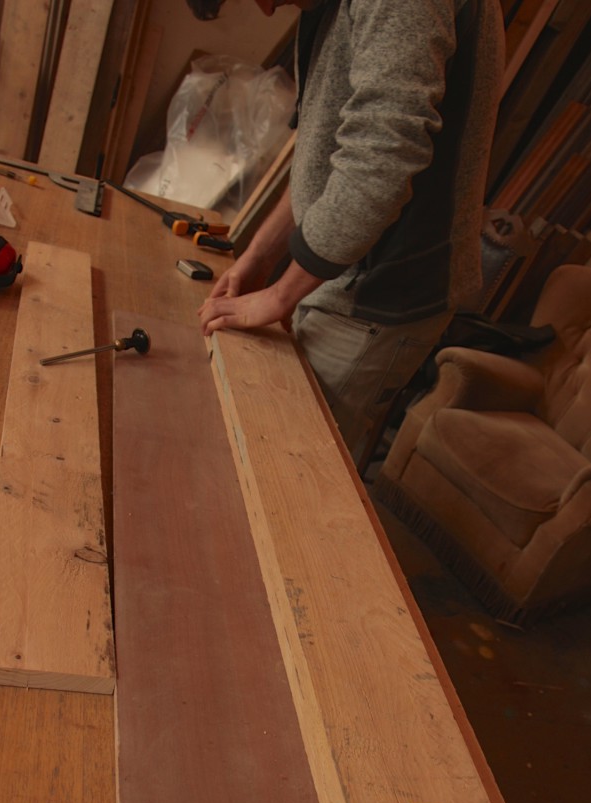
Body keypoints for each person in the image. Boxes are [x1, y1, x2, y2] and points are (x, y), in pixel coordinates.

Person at [186, 0, 505, 461]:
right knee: (257, 448)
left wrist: (279, 296)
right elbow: (325, 159)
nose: (268, 10)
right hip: (340, 276)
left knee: (291, 469)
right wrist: (258, 258)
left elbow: (380, 159)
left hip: (378, 293)